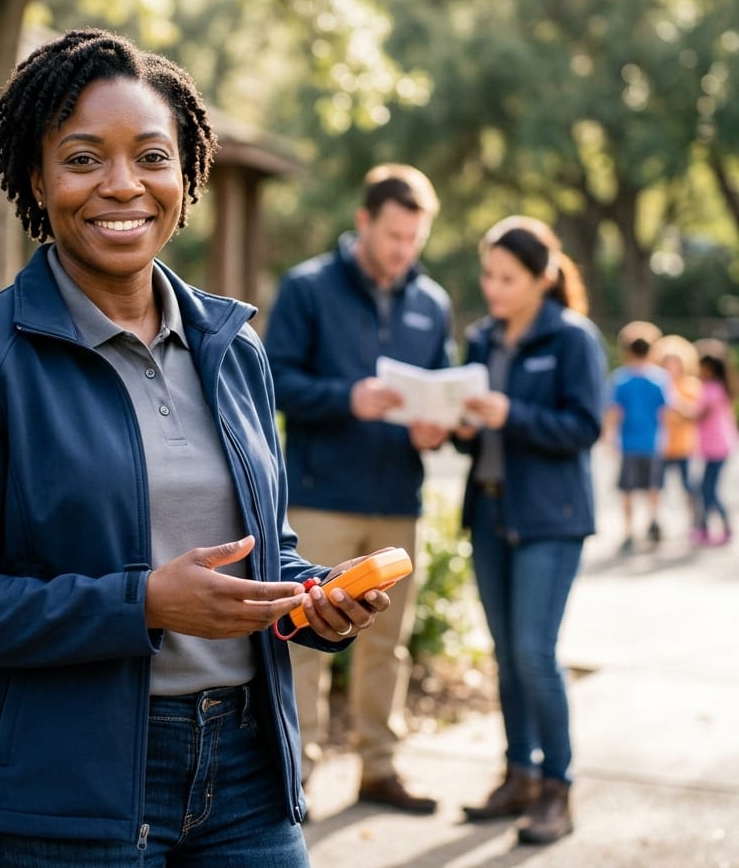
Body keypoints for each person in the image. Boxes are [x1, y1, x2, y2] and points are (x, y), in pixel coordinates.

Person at [0, 27, 395, 868]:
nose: (123, 184)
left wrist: (315, 600)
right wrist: (143, 604)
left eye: (151, 156)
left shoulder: (234, 347)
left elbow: (262, 551)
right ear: (37, 179)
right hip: (61, 798)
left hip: (246, 780)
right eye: (83, 158)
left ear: (186, 174)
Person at [263, 162, 452, 814]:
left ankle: (380, 768)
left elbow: (445, 387)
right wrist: (349, 398)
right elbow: (275, 382)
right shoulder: (308, 288)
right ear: (365, 221)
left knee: (386, 644)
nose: (405, 251)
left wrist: (439, 427)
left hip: (398, 500)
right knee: (306, 642)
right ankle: (299, 775)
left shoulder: (433, 302)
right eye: (395, 235)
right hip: (319, 498)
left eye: (415, 239)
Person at [454, 216, 605, 845]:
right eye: (487, 275)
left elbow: (584, 427)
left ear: (542, 278)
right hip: (489, 512)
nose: (493, 288)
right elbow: (477, 439)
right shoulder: (483, 339)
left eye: (506, 278)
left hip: (550, 519)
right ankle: (518, 774)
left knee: (534, 654)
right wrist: (462, 426)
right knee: (504, 656)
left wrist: (512, 414)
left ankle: (557, 787)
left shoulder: (573, 339)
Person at [603, 321, 670, 553]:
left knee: (628, 490)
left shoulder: (620, 378)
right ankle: (653, 521)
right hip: (653, 441)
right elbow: (665, 412)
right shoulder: (659, 378)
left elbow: (614, 412)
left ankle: (629, 531)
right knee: (653, 487)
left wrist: (608, 438)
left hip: (628, 442)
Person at [651, 334, 702, 536]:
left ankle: (695, 522)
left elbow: (694, 413)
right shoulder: (656, 383)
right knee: (656, 487)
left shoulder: (690, 385)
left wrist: (674, 401)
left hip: (683, 445)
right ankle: (654, 523)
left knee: (688, 487)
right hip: (661, 444)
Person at [691, 339, 737, 546]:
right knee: (705, 488)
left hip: (717, 447)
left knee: (708, 489)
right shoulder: (718, 387)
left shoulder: (712, 389)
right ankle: (705, 528)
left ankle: (721, 527)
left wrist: (675, 406)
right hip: (717, 446)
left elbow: (699, 415)